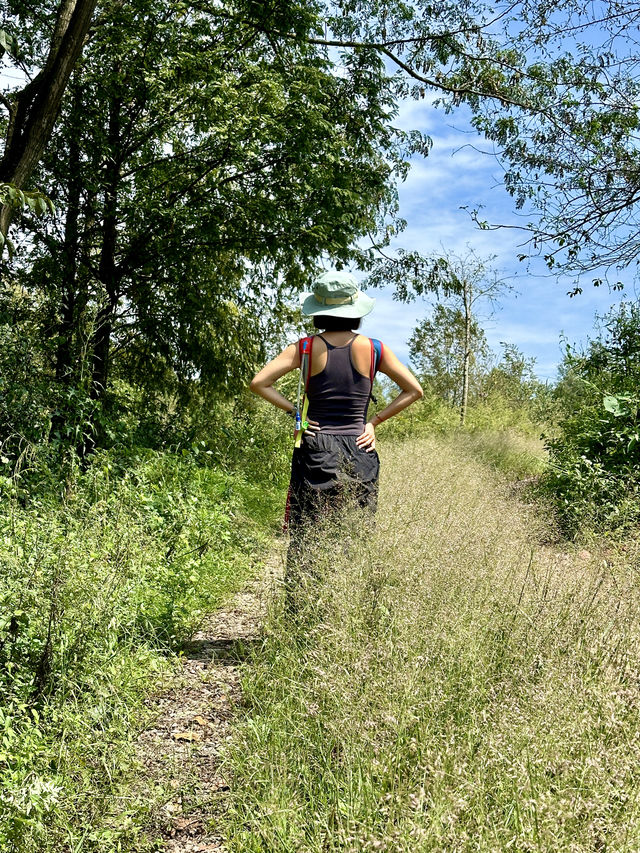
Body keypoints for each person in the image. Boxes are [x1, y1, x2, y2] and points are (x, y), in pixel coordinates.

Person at [249, 270, 423, 602]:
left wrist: (296, 414)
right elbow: (414, 390)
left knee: (308, 533)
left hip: (316, 446)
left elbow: (259, 382)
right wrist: (374, 422)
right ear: (355, 308)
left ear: (320, 311)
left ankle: (302, 611)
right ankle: (347, 608)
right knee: (355, 532)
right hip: (360, 447)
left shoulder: (303, 348)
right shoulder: (375, 349)